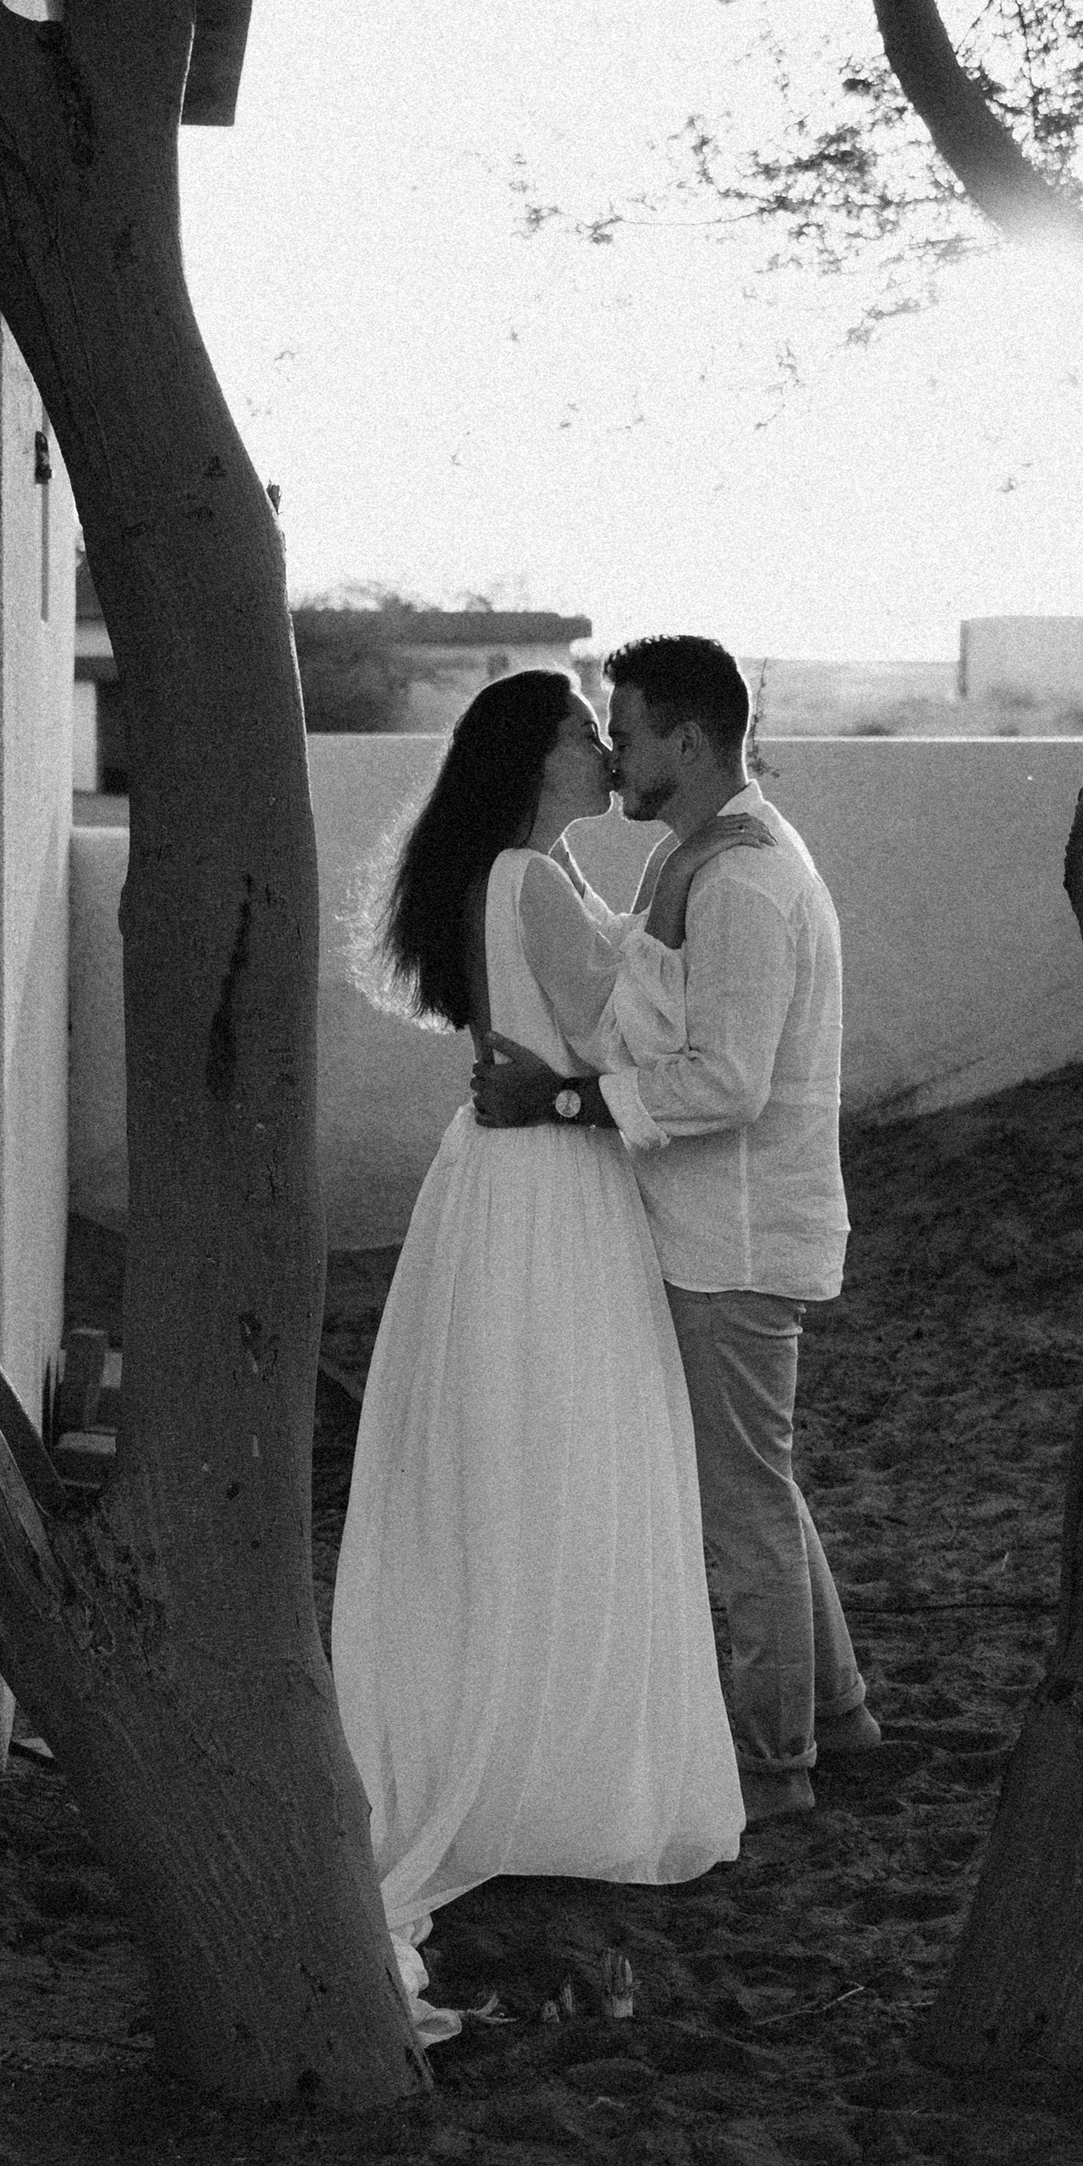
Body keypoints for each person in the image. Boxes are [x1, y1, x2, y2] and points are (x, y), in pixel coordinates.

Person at [332, 669, 761, 2043]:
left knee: (533, 1455)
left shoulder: (530, 879)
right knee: (568, 1452)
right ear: (536, 760)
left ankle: (533, 1740)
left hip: (506, 1179)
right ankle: (547, 1764)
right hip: (547, 1196)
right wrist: (688, 934)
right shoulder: (531, 882)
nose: (602, 749)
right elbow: (628, 1039)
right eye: (584, 731)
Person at [474, 634, 877, 1826]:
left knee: (742, 1507)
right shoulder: (693, 856)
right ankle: (840, 1717)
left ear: (689, 743)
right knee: (758, 1484)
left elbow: (728, 1081)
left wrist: (563, 1101)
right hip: (713, 1229)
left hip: (733, 1242)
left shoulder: (741, 882)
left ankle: (774, 1767)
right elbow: (640, 998)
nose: (613, 755)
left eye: (628, 733)